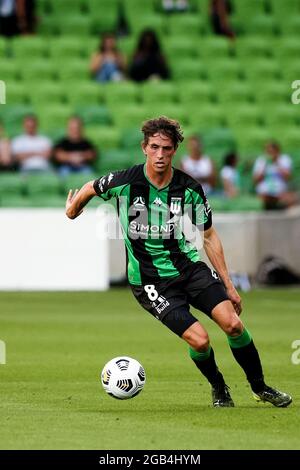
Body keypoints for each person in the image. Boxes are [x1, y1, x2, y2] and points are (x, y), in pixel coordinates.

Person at [65, 116, 292, 408]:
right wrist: (73, 210)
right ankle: (219, 387)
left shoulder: (188, 188)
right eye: (155, 148)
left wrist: (229, 286)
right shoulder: (124, 182)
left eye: (167, 149)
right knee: (200, 341)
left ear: (175, 150)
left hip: (189, 269)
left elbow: (209, 236)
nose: (160, 155)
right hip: (150, 282)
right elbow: (89, 187)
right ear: (144, 147)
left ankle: (260, 388)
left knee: (233, 325)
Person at [253, 141, 297, 210]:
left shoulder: (284, 159)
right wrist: (264, 167)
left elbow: (288, 177)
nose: (270, 154)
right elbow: (256, 180)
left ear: (277, 151)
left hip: (280, 191)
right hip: (264, 191)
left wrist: (277, 163)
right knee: (262, 197)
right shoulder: (261, 160)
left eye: (272, 151)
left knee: (291, 199)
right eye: (268, 152)